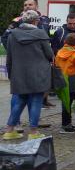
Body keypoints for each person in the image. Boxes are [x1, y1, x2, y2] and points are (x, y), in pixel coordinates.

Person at [3, 10, 54, 140]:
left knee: (19, 101)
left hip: (19, 73)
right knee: (36, 100)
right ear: (36, 21)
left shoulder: (12, 35)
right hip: (38, 73)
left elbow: (9, 57)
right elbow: (49, 54)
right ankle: (33, 132)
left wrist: (11, 74)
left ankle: (9, 130)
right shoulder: (40, 33)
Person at [54, 32, 75, 133]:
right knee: (69, 101)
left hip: (60, 77)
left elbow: (56, 64)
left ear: (65, 41)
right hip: (71, 79)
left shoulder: (59, 52)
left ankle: (66, 123)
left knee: (65, 101)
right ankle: (66, 125)